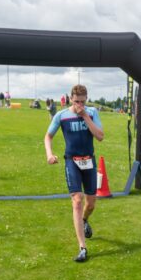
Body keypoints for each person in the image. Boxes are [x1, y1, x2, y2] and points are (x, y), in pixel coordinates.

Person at [45, 84, 104, 262]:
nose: (79, 105)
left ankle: (85, 220)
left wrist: (85, 115)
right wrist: (49, 154)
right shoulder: (61, 116)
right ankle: (82, 247)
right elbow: (48, 136)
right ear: (71, 99)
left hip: (89, 161)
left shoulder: (92, 113)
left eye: (83, 102)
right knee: (77, 201)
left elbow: (100, 136)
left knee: (91, 203)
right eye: (77, 101)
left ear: (86, 100)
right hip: (72, 161)